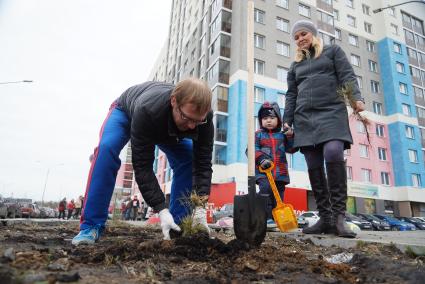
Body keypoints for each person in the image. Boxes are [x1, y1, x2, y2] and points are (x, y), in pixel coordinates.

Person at [72, 78, 214, 245]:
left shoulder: (201, 119)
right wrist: (161, 208)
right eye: (186, 117)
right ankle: (91, 226)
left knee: (189, 159)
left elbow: (202, 164)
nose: (192, 126)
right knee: (106, 149)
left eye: (197, 121)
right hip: (127, 112)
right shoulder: (147, 109)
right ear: (174, 101)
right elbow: (142, 167)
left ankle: (178, 225)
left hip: (166, 127)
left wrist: (200, 207)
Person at [283, 20, 365, 238]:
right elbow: (291, 95)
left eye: (303, 34)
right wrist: (287, 120)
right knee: (313, 162)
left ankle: (339, 217)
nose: (300, 39)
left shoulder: (332, 52)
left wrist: (356, 98)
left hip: (331, 111)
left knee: (333, 151)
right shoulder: (295, 66)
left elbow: (347, 75)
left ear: (313, 34)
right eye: (296, 37)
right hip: (304, 118)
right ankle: (325, 217)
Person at [255, 102, 295, 229]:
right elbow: (251, 149)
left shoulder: (282, 135)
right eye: (265, 118)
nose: (268, 121)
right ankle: (266, 218)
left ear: (278, 119)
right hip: (264, 174)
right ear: (261, 120)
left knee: (279, 197)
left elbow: (292, 149)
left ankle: (277, 219)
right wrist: (261, 158)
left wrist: (290, 136)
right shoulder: (258, 135)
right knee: (265, 191)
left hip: (280, 173)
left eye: (272, 118)